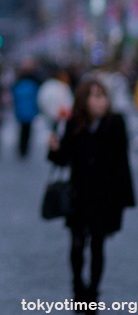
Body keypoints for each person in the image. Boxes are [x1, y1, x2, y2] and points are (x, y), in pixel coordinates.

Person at [48, 78, 135, 302]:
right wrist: (54, 148)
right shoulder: (74, 123)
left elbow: (122, 162)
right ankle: (77, 285)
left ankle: (93, 291)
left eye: (103, 96)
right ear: (83, 100)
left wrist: (125, 199)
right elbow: (63, 159)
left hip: (106, 196)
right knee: (77, 243)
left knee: (98, 244)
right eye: (95, 96)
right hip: (79, 194)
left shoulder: (116, 122)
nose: (101, 102)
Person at [11, 57, 40, 158]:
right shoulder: (26, 79)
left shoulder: (30, 78)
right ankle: (23, 148)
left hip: (27, 108)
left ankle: (23, 148)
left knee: (26, 129)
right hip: (24, 108)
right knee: (24, 129)